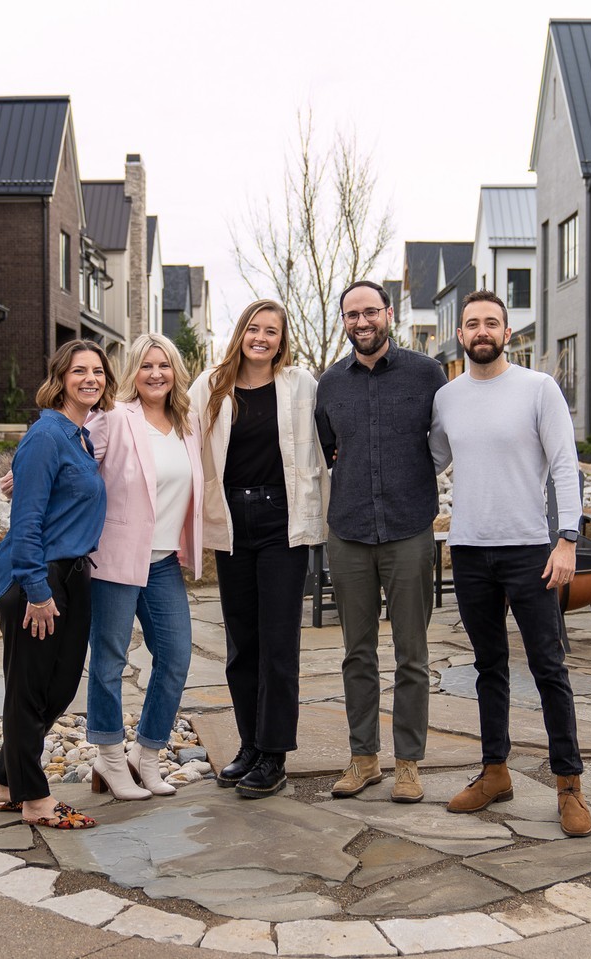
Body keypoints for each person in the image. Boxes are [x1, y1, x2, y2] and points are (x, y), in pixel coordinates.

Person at [429, 290, 591, 837]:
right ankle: (495, 772)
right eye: (472, 323)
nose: (481, 331)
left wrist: (567, 539)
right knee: (488, 667)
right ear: (460, 334)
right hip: (471, 550)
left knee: (549, 668)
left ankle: (569, 784)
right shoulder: (447, 398)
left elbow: (566, 467)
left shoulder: (538, 389)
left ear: (507, 331)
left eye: (491, 323)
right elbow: (426, 460)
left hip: (530, 551)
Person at [187, 299, 328, 799]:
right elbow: (175, 436)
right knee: (242, 643)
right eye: (254, 328)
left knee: (278, 643)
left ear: (282, 339)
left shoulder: (300, 384)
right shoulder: (210, 385)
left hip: (281, 521)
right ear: (240, 332)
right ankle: (248, 743)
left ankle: (274, 754)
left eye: (271, 330)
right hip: (232, 521)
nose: (261, 338)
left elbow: (332, 439)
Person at [314, 280, 446, 803]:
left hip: (409, 529)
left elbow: (443, 443)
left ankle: (408, 764)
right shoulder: (330, 384)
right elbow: (329, 449)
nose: (362, 322)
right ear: (343, 321)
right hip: (347, 532)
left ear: (388, 314)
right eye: (352, 315)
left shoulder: (428, 374)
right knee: (357, 654)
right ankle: (364, 758)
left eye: (371, 312)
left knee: (412, 655)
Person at [0, 340, 115, 830]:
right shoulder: (45, 435)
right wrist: (37, 591)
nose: (90, 379)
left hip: (73, 574)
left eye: (98, 371)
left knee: (56, 690)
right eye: (79, 371)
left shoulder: (79, 436)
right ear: (60, 377)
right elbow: (28, 520)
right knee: (29, 692)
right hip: (38, 579)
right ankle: (34, 799)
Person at [85, 334, 205, 799]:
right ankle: (110, 759)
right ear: (132, 371)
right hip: (114, 559)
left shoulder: (187, 420)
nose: (156, 373)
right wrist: (24, 473)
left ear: (176, 371)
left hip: (163, 563)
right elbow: (72, 457)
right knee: (109, 662)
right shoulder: (114, 417)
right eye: (146, 365)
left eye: (165, 365)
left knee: (175, 658)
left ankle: (146, 755)